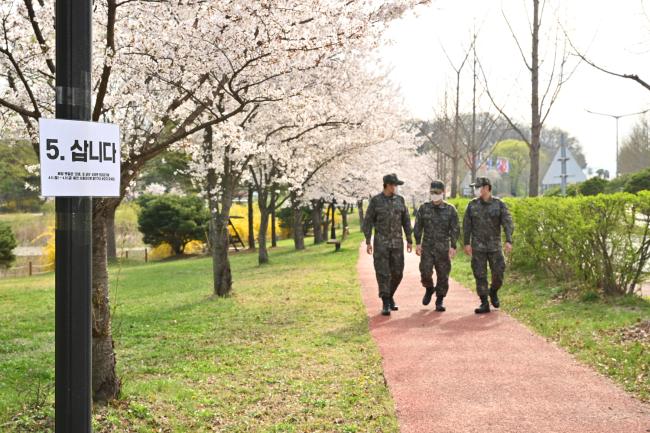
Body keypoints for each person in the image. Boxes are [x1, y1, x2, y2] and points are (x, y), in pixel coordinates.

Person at [363, 173, 413, 316]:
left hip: (397, 243)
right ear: (388, 185)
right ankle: (385, 302)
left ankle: (390, 295)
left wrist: (409, 239)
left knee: (398, 273)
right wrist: (368, 241)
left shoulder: (400, 200)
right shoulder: (376, 201)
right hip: (381, 244)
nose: (396, 188)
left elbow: (406, 220)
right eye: (394, 185)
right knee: (383, 273)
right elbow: (368, 221)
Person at [463, 177, 514, 314]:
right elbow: (467, 225)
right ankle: (484, 302)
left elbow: (507, 223)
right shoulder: (472, 205)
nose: (477, 190)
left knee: (498, 273)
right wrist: (466, 243)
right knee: (480, 275)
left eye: (479, 187)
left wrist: (508, 240)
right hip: (478, 247)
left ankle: (493, 291)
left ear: (487, 188)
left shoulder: (499, 204)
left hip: (494, 247)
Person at [414, 180, 459, 312]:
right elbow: (418, 227)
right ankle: (429, 288)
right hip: (427, 247)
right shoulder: (424, 208)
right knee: (425, 272)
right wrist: (418, 243)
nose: (434, 195)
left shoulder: (450, 210)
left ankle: (440, 299)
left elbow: (455, 229)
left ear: (443, 193)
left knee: (443, 275)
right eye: (432, 192)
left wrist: (453, 245)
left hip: (443, 247)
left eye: (437, 192)